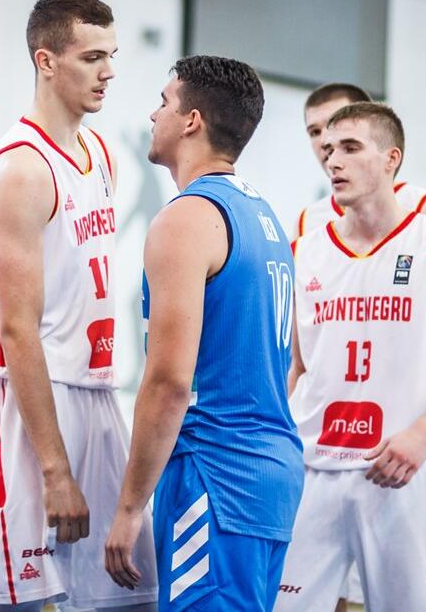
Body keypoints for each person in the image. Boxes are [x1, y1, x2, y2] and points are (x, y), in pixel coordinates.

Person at [0, 0, 156, 612]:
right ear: (46, 61)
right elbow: (18, 331)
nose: (109, 72)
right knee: (12, 602)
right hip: (31, 410)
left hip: (98, 394)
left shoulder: (101, 155)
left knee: (129, 598)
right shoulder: (19, 170)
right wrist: (55, 470)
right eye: (92, 57)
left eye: (112, 55)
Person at [104, 55, 304, 611]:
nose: (153, 114)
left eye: (163, 102)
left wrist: (128, 507)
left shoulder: (188, 218)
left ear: (192, 120)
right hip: (271, 469)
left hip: (216, 470)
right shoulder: (265, 217)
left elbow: (169, 382)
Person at [276, 102, 426, 612]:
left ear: (391, 159)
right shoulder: (302, 251)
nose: (333, 160)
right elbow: (298, 369)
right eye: (329, 149)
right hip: (313, 471)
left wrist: (425, 437)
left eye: (351, 148)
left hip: (404, 473)